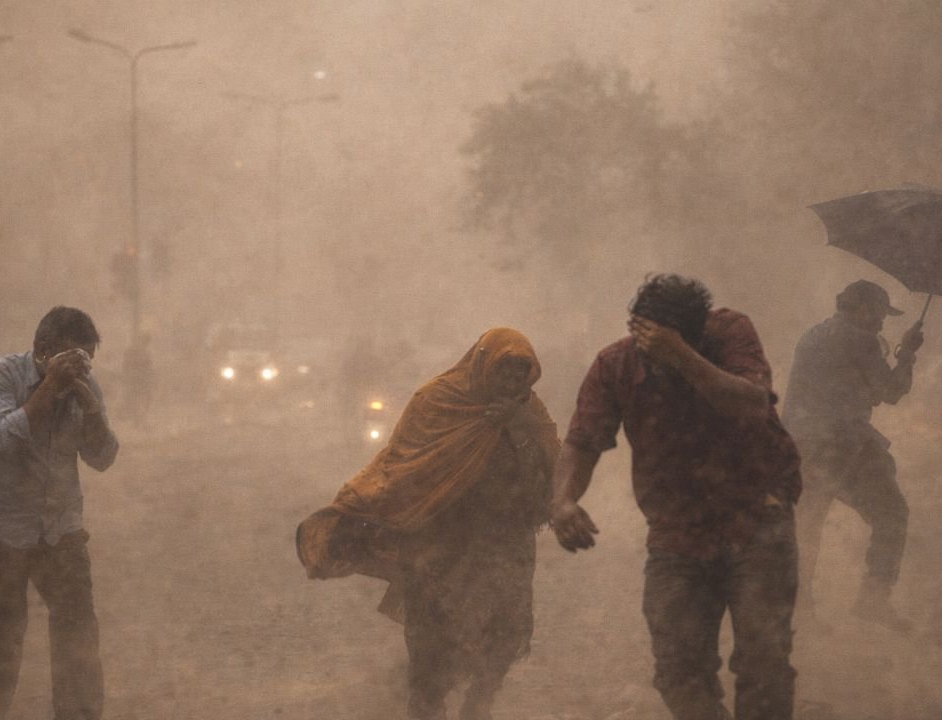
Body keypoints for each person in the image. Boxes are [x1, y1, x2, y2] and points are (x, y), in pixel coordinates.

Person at [550, 275, 802, 720]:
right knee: (677, 669)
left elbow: (751, 404)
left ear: (698, 332)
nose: (657, 357)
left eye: (672, 343)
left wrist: (682, 358)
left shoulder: (730, 333)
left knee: (764, 663)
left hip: (758, 520)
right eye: (649, 343)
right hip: (677, 532)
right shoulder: (615, 364)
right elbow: (582, 441)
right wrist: (564, 501)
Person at [297, 328, 559, 720]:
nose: (510, 383)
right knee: (432, 632)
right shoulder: (437, 402)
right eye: (503, 372)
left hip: (505, 542)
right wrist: (358, 512)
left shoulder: (531, 415)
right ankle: (425, 704)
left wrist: (516, 428)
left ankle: (479, 704)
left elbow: (548, 485)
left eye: (519, 375)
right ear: (482, 367)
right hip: (440, 540)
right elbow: (400, 467)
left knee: (504, 628)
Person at [0, 306, 119, 720]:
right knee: (2, 642)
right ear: (42, 350)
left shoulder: (84, 385)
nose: (79, 368)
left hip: (57, 532)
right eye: (70, 358)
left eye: (86, 360)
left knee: (78, 634)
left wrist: (90, 405)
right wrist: (50, 388)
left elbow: (102, 457)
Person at [782, 280, 924, 634]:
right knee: (891, 513)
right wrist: (906, 353)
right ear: (861, 309)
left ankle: (798, 613)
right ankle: (873, 599)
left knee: (807, 527)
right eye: (877, 314)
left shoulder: (813, 335)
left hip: (799, 444)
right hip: (840, 444)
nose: (880, 322)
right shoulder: (859, 339)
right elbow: (889, 391)